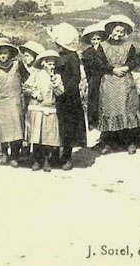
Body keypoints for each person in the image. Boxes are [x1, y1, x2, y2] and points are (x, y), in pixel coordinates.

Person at [98, 15, 140, 155]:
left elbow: (134, 61)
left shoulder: (129, 46)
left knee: (126, 109)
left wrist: (127, 68)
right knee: (109, 110)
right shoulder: (102, 46)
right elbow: (98, 64)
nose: (118, 34)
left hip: (124, 81)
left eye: (122, 32)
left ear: (125, 33)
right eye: (116, 31)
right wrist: (112, 69)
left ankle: (129, 142)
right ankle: (107, 143)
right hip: (109, 80)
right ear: (111, 31)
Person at [48, 22, 87, 170]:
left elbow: (75, 78)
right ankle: (56, 155)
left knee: (69, 127)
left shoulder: (72, 57)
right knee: (58, 127)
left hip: (70, 98)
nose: (56, 44)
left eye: (58, 42)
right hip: (59, 96)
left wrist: (64, 89)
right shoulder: (59, 55)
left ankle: (67, 157)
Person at [0, 38, 29, 166]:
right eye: (0, 53)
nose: (3, 56)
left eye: (5, 53)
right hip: (0, 101)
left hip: (15, 100)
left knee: (17, 128)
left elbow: (28, 79)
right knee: (1, 129)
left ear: (10, 53)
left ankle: (15, 156)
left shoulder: (18, 65)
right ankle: (4, 154)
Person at [24, 50, 64, 172]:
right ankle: (36, 160)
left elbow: (60, 92)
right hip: (37, 108)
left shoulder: (57, 77)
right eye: (49, 64)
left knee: (48, 136)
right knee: (36, 136)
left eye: (53, 64)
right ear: (43, 63)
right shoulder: (36, 74)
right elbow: (26, 88)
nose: (52, 67)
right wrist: (35, 93)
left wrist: (55, 85)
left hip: (50, 108)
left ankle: (47, 160)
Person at [80, 21, 108, 130]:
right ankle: (92, 122)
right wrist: (89, 78)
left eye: (98, 39)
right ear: (90, 41)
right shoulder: (87, 53)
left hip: (104, 77)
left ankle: (103, 121)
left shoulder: (105, 51)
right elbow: (87, 67)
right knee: (93, 100)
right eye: (94, 39)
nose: (96, 41)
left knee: (104, 99)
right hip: (94, 78)